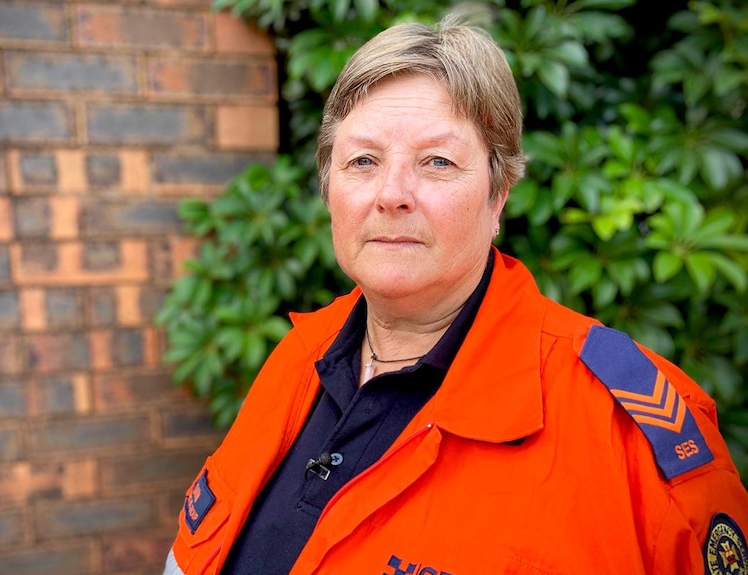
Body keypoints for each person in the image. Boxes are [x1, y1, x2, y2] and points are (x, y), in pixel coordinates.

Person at [163, 15, 748, 575]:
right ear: (329, 190)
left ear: (499, 196)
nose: (391, 194)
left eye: (436, 162)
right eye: (363, 160)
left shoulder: (628, 431)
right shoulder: (297, 359)